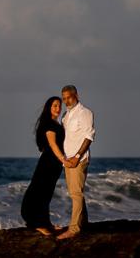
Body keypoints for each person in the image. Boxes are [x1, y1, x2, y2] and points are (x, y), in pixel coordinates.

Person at [19, 96, 65, 234]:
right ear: (49, 108)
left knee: (47, 194)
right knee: (39, 192)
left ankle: (47, 223)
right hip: (48, 162)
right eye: (55, 106)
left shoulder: (56, 124)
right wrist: (64, 159)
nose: (58, 108)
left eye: (59, 106)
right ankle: (36, 223)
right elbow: (52, 144)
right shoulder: (49, 124)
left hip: (54, 163)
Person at [56, 84, 95, 240]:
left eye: (69, 97)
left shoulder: (85, 113)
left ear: (76, 95)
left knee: (76, 193)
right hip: (68, 160)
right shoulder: (66, 115)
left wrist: (77, 156)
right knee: (75, 193)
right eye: (64, 98)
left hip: (78, 159)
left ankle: (74, 229)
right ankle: (83, 223)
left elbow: (89, 136)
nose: (66, 101)